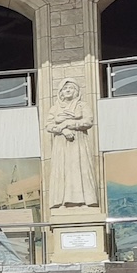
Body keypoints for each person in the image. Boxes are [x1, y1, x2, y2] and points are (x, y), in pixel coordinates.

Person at [45, 78, 98, 208]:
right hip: (61, 145)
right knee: (63, 171)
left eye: (71, 88)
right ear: (61, 92)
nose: (67, 90)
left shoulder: (82, 105)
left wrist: (70, 124)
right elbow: (48, 125)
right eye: (65, 88)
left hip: (78, 143)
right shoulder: (55, 108)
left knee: (79, 169)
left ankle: (83, 201)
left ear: (76, 91)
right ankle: (62, 201)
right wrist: (62, 130)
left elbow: (88, 122)